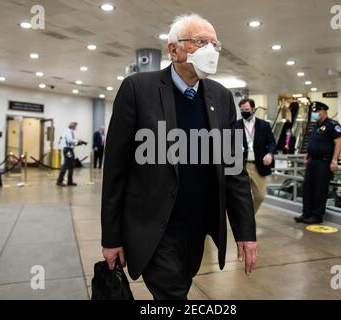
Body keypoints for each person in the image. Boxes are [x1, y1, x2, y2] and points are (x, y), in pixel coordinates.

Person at [101, 13, 257, 300]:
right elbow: (115, 170)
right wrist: (111, 237)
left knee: (180, 285)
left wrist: (245, 232)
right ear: (173, 50)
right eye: (200, 42)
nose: (211, 50)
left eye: (215, 44)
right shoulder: (138, 90)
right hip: (155, 228)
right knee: (172, 294)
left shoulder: (222, 98)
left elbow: (233, 170)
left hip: (197, 229)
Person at [294, 102, 341, 224]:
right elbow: (312, 143)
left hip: (324, 162)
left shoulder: (333, 125)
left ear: (324, 111)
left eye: (317, 112)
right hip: (312, 161)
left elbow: (339, 142)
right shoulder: (315, 126)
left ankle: (317, 216)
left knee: (319, 189)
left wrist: (334, 160)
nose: (315, 114)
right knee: (307, 188)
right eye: (314, 112)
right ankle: (306, 214)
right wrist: (307, 155)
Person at [237, 98, 276, 214]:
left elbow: (272, 143)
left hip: (258, 166)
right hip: (241, 166)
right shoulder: (235, 125)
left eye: (247, 110)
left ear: (253, 109)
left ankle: (249, 215)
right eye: (242, 110)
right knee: (240, 197)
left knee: (260, 196)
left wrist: (270, 154)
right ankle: (244, 219)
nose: (244, 112)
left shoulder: (264, 125)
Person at [56, 122, 81, 187]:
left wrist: (78, 143)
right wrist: (77, 140)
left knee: (71, 165)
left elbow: (71, 142)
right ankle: (59, 181)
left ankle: (70, 181)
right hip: (67, 150)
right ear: (72, 126)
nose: (76, 127)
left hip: (70, 149)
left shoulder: (70, 132)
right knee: (66, 164)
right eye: (75, 126)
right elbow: (69, 140)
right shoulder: (68, 131)